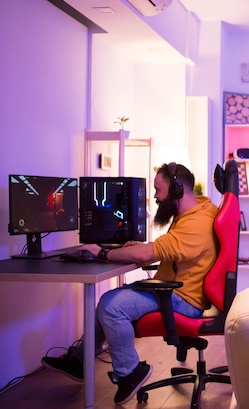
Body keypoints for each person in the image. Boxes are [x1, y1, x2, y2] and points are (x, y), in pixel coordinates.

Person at [42, 162, 219, 405]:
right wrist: (138, 247)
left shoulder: (195, 225)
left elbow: (150, 255)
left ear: (177, 190)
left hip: (183, 299)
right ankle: (79, 363)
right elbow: (168, 246)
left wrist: (102, 253)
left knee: (111, 305)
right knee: (107, 304)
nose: (155, 196)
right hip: (179, 289)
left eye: (158, 190)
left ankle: (129, 372)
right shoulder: (199, 209)